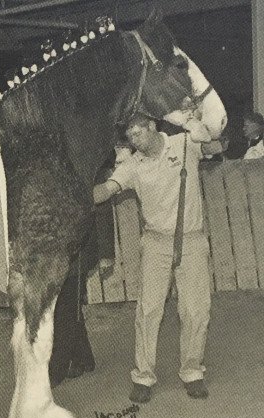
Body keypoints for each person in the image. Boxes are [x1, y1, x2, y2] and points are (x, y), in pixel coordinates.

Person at [93, 112, 211, 403]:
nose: (134, 139)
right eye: (130, 135)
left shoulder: (184, 144)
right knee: (148, 311)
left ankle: (192, 371)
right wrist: (77, 194)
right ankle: (144, 377)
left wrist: (194, 124)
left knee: (196, 310)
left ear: (153, 126)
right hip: (156, 244)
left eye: (138, 132)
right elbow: (107, 190)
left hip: (192, 240)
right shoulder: (133, 164)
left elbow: (213, 142)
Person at [49, 165, 116, 387]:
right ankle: (84, 358)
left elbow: (104, 210)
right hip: (62, 250)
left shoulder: (89, 167)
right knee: (70, 305)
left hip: (82, 249)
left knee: (65, 308)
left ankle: (56, 371)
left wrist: (107, 254)